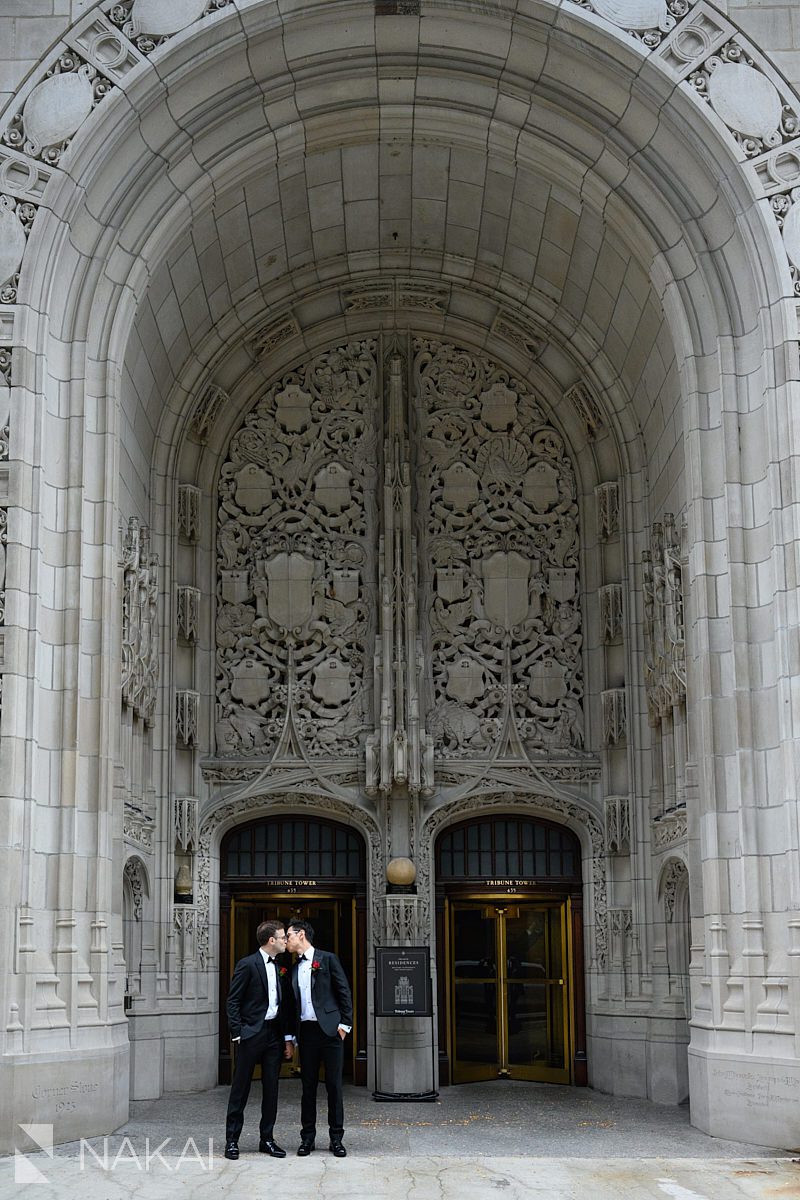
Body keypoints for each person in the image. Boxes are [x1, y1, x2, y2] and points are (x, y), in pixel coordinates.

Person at [224, 919, 294, 1160]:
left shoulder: (278, 966)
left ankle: (267, 1139)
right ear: (271, 940)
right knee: (240, 1088)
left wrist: (286, 1038)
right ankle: (232, 1140)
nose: (286, 940)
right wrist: (238, 1032)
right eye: (283, 936)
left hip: (273, 1035)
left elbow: (282, 1005)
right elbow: (233, 1001)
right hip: (250, 1034)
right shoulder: (247, 964)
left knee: (272, 1089)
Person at [285, 919, 353, 1157]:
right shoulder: (292, 968)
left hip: (331, 1031)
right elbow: (291, 1006)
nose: (286, 941)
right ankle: (307, 1138)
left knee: (334, 1086)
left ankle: (336, 1138)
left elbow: (343, 991)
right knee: (308, 1088)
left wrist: (345, 1026)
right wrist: (291, 1037)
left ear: (301, 934)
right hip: (307, 1033)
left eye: (289, 936)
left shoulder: (327, 959)